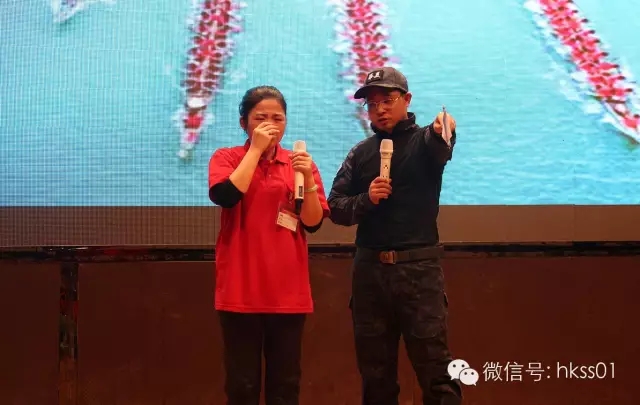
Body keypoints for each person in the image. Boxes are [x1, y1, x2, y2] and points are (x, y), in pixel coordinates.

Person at [327, 67, 462, 405]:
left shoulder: (424, 141)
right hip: (369, 275)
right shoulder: (360, 153)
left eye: (387, 100)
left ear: (407, 99)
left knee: (437, 373)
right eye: (372, 104)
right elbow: (336, 207)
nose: (380, 110)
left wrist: (444, 129)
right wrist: (366, 199)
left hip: (418, 272)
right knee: (375, 379)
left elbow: (441, 144)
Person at [207, 85, 331, 405]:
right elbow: (226, 196)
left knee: (285, 386)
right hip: (240, 290)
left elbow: (313, 222)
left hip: (288, 292)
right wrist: (255, 150)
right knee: (242, 386)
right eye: (260, 118)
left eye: (278, 118)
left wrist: (308, 180)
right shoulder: (227, 157)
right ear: (243, 123)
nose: (270, 124)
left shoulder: (298, 163)